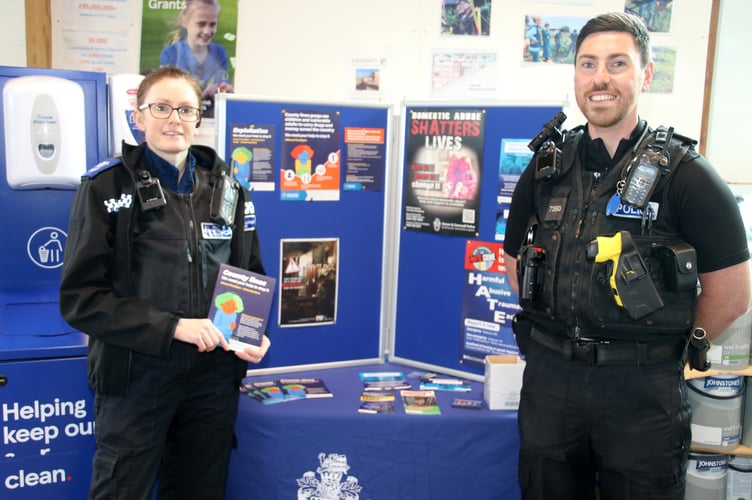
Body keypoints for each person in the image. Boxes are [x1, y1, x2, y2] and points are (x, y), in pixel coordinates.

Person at [503, 12, 750, 499]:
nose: (600, 78)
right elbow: (515, 263)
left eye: (617, 63)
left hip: (642, 390)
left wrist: (674, 347)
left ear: (645, 74)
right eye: (588, 64)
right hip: (551, 382)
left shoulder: (688, 176)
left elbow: (733, 292)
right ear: (575, 76)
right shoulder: (546, 168)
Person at [59, 67, 270, 500]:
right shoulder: (106, 187)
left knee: (200, 489)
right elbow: (82, 298)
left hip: (213, 375)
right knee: (123, 488)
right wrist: (173, 325)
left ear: (199, 119)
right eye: (161, 107)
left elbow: (250, 274)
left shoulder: (229, 190)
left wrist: (253, 332)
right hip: (137, 373)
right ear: (139, 116)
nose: (174, 119)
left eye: (186, 109)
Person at [159, 0, 233, 118]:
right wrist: (202, 96)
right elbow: (167, 98)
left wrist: (226, 92)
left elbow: (222, 86)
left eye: (212, 24)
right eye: (201, 24)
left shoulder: (219, 52)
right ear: (185, 21)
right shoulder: (171, 53)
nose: (207, 31)